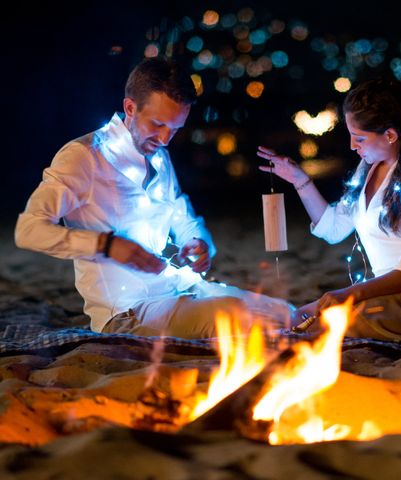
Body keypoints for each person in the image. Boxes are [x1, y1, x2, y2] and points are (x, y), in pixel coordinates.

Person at [15, 56, 291, 338]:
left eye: (174, 129)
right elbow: (29, 231)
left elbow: (183, 216)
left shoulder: (160, 158)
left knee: (284, 312)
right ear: (130, 107)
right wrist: (107, 245)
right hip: (129, 312)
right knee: (245, 318)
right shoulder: (83, 157)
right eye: (158, 124)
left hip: (181, 286)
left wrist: (196, 243)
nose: (164, 139)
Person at [257, 77, 401, 341]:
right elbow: (333, 229)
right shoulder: (368, 170)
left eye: (360, 138)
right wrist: (300, 180)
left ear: (390, 135)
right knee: (303, 317)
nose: (353, 146)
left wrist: (350, 293)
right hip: (384, 293)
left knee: (343, 321)